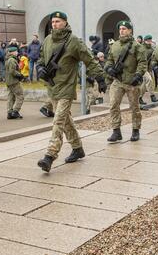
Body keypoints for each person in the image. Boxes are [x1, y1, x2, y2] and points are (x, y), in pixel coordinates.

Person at [35, 11, 106, 172]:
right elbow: (40, 58)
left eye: (58, 21)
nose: (54, 24)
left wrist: (100, 78)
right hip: (52, 87)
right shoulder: (47, 40)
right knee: (66, 121)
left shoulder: (74, 41)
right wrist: (40, 68)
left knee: (58, 121)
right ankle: (77, 148)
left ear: (65, 23)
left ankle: (50, 155)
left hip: (66, 88)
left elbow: (89, 59)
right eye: (53, 22)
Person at [105, 20, 147, 143]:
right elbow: (109, 60)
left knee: (134, 107)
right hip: (118, 81)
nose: (121, 31)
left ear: (130, 30)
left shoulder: (137, 46)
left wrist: (138, 75)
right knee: (113, 105)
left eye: (124, 29)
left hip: (132, 82)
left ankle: (135, 130)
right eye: (120, 29)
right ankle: (116, 131)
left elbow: (142, 63)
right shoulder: (115, 45)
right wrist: (109, 68)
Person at [5, 46, 25, 119]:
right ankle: (15, 111)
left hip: (9, 81)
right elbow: (12, 71)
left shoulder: (8, 59)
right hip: (14, 81)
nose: (17, 53)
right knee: (20, 95)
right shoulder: (12, 60)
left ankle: (10, 112)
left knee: (11, 97)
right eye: (16, 51)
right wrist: (20, 75)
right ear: (12, 52)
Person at [139, 35, 158, 105]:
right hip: (142, 68)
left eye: (150, 40)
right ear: (144, 41)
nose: (149, 42)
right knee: (149, 80)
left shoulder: (152, 49)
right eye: (148, 40)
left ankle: (139, 97)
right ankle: (152, 96)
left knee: (144, 84)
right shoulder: (141, 48)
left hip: (149, 68)